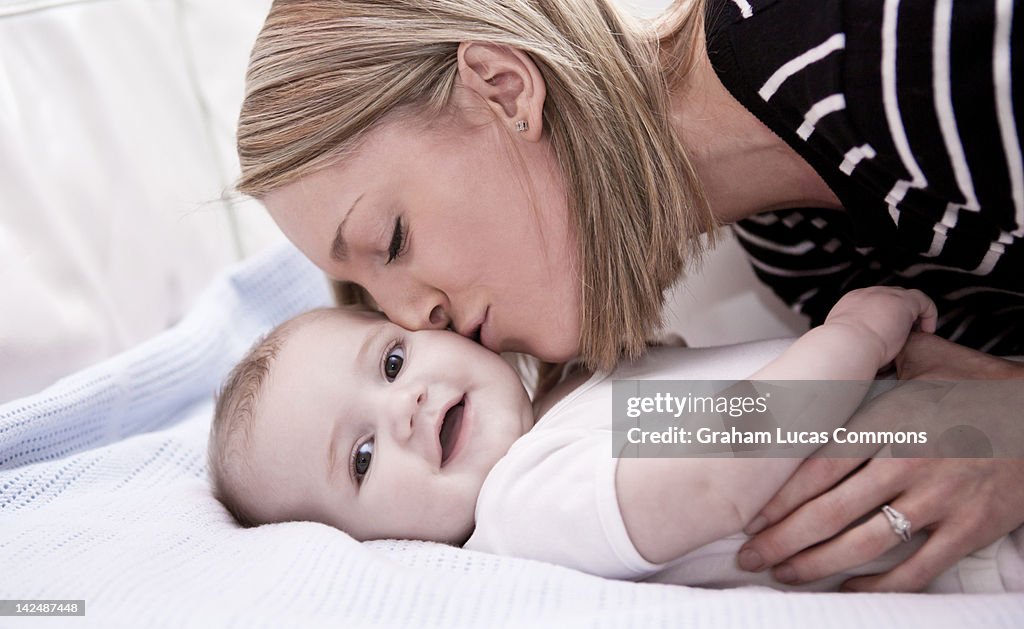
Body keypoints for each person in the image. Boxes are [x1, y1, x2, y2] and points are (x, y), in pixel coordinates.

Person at [233, 0, 1024, 592]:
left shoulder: (879, 51)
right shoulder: (795, 247)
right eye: (375, 301)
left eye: (393, 240)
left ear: (505, 90)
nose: (415, 315)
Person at [207, 286, 1022, 592]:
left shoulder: (561, 417)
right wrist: (857, 332)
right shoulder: (524, 501)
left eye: (390, 360)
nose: (407, 406)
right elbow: (722, 465)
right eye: (360, 457)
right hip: (976, 537)